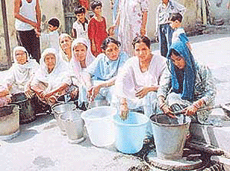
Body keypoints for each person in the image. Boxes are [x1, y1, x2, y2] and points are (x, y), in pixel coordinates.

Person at [115, 36, 166, 139]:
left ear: (149, 48)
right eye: (137, 50)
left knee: (149, 96)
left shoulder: (161, 61)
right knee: (116, 96)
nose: (141, 53)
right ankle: (124, 130)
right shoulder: (131, 62)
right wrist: (123, 102)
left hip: (155, 96)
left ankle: (149, 134)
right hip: (136, 95)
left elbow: (166, 85)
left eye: (144, 49)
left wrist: (149, 89)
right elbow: (120, 80)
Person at [157, 41, 216, 124]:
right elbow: (163, 86)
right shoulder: (171, 67)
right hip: (182, 104)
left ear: (185, 56)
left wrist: (196, 105)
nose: (176, 63)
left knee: (173, 100)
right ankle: (181, 125)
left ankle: (183, 128)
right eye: (173, 60)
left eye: (179, 59)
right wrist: (162, 104)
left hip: (200, 108)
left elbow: (211, 92)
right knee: (166, 99)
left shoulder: (201, 68)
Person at [87, 37, 129, 105]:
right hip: (101, 84)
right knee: (85, 86)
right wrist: (89, 85)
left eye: (116, 49)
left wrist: (101, 85)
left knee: (115, 92)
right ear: (104, 51)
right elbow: (87, 72)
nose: (114, 53)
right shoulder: (101, 57)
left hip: (114, 84)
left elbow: (121, 76)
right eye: (110, 50)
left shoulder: (123, 56)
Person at [70, 38, 95, 107]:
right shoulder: (72, 63)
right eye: (77, 50)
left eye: (82, 50)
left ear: (87, 50)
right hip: (78, 85)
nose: (79, 53)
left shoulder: (93, 61)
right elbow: (73, 77)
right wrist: (79, 85)